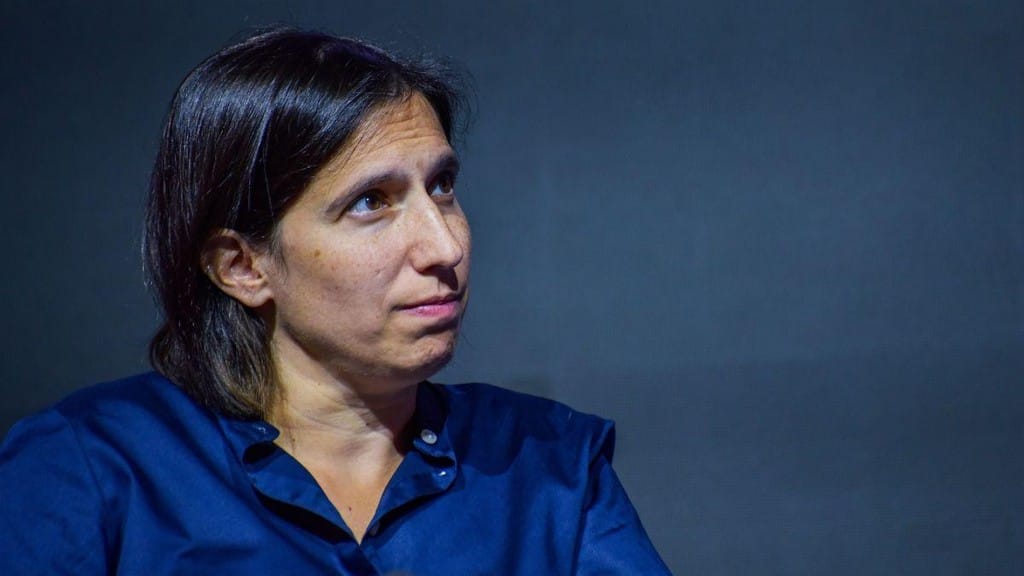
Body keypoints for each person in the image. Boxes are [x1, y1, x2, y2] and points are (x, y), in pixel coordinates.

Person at [0, 27, 671, 575]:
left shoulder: (548, 463)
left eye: (442, 186)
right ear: (242, 266)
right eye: (370, 203)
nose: (444, 246)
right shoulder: (92, 468)